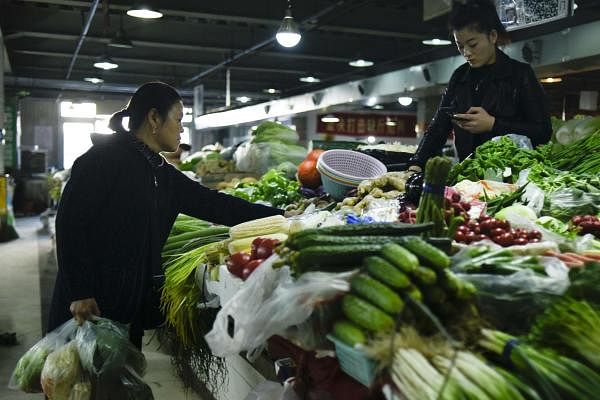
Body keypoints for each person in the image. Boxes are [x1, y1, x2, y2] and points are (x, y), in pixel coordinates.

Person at [47, 82, 283, 348]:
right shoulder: (101, 160)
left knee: (118, 381)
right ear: (154, 118)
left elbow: (216, 205)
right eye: (179, 119)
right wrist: (80, 292)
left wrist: (282, 215)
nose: (182, 129)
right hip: (86, 306)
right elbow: (69, 225)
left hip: (126, 306)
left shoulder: (160, 172)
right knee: (74, 382)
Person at [408, 0, 552, 172]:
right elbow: (439, 125)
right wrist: (417, 162)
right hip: (468, 174)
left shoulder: (520, 74)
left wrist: (494, 124)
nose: (467, 53)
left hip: (511, 177)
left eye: (473, 44)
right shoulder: (460, 76)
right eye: (460, 46)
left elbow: (542, 130)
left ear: (492, 36)